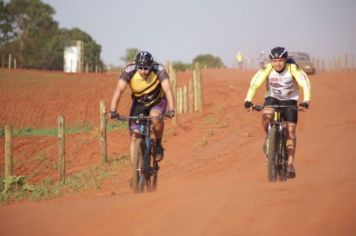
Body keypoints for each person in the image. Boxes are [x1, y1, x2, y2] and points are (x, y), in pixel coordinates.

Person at [244, 46, 311, 178]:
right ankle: (270, 137)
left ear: (285, 60)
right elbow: (255, 83)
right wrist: (248, 100)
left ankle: (290, 164)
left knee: (290, 131)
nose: (277, 63)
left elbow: (305, 83)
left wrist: (306, 100)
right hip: (272, 97)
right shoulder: (268, 69)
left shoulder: (293, 68)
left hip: (290, 100)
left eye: (280, 60)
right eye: (274, 61)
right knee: (266, 115)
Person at [109, 51, 175, 163]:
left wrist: (171, 109)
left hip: (157, 101)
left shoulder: (159, 69)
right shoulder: (129, 70)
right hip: (139, 103)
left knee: (155, 117)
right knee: (134, 135)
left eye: (146, 68)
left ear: (151, 65)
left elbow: (168, 90)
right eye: (140, 68)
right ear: (136, 65)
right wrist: (113, 110)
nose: (143, 71)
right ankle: (136, 170)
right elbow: (119, 90)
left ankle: (158, 144)